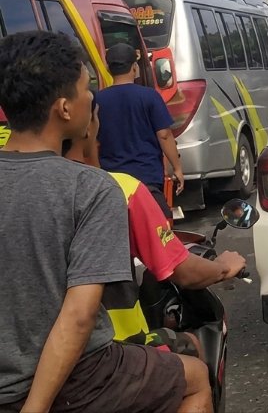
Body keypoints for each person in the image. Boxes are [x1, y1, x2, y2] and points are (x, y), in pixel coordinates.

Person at [0, 32, 209, 413]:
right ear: (64, 108)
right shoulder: (92, 189)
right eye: (85, 89)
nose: (92, 98)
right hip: (80, 379)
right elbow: (79, 316)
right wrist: (35, 407)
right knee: (194, 379)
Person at [63, 100, 247, 353]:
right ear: (85, 126)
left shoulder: (19, 188)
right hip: (116, 346)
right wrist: (224, 267)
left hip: (30, 357)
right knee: (193, 365)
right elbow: (182, 271)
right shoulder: (119, 190)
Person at [95, 42, 184, 219]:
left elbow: (92, 141)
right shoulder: (149, 96)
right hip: (146, 180)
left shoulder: (97, 99)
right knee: (157, 232)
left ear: (108, 68)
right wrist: (177, 168)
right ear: (134, 67)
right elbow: (164, 135)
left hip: (111, 182)